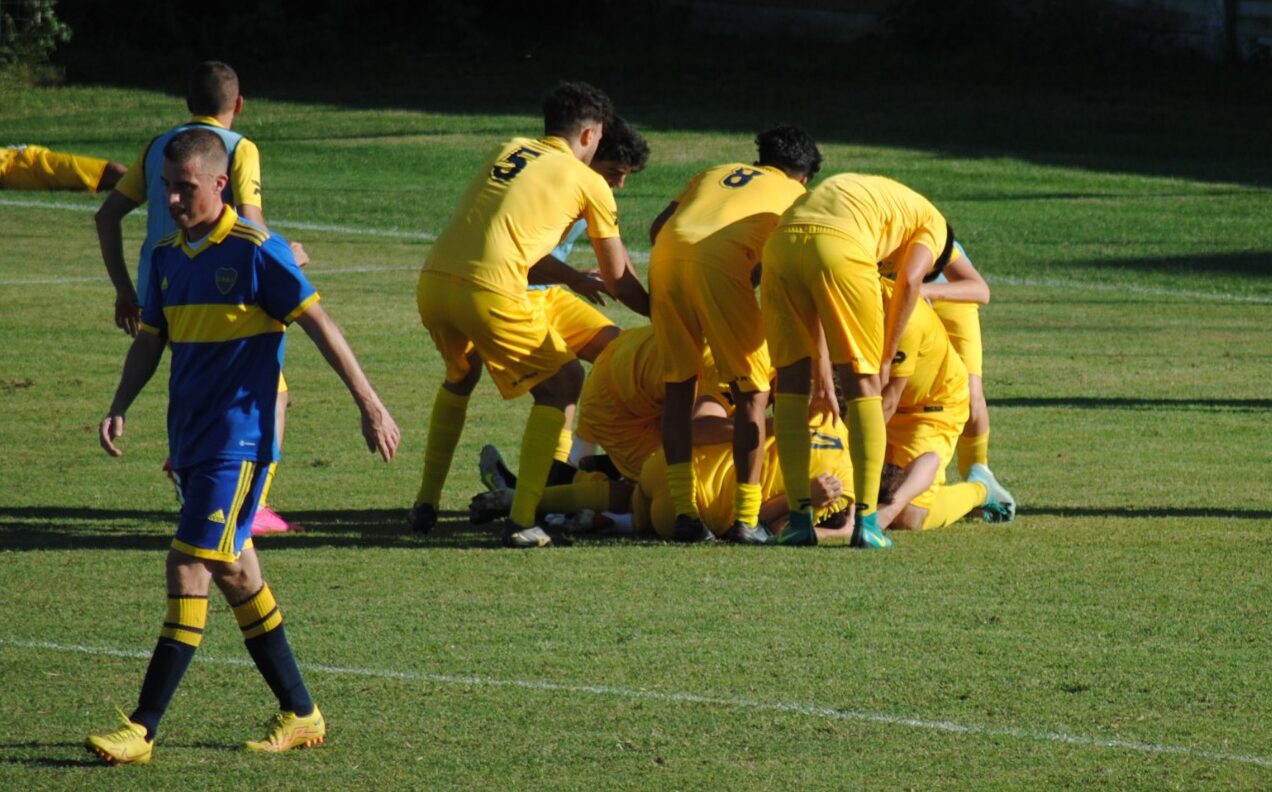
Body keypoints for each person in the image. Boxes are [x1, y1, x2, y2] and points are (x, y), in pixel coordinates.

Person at [85, 129, 400, 764]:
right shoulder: (168, 257)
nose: (173, 199)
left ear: (220, 184)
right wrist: (120, 403)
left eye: (186, 187)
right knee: (235, 571)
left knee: (188, 564)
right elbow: (150, 341)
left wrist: (370, 403)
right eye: (168, 187)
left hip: (242, 440)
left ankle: (142, 728)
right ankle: (303, 712)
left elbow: (319, 323)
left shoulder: (258, 251)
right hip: (193, 441)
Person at [410, 81, 649, 548]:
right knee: (563, 384)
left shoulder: (510, 149)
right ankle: (525, 518)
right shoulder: (587, 182)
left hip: (436, 280)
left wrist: (573, 280)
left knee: (463, 375)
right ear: (590, 135)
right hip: (495, 290)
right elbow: (619, 279)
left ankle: (427, 502)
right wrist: (665, 314)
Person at [95, 60, 305, 535]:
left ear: (188, 103)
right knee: (271, 390)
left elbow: (106, 217)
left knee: (206, 381)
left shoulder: (160, 149)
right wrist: (284, 258)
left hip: (161, 288)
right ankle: (247, 505)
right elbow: (250, 221)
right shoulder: (237, 148)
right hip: (220, 283)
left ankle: (194, 470)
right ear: (239, 104)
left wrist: (125, 291)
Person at [761, 173, 958, 547]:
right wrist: (885, 356)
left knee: (789, 384)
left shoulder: (881, 195)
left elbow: (817, 306)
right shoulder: (932, 223)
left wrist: (820, 377)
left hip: (781, 243)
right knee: (863, 383)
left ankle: (799, 523)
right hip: (840, 247)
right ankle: (866, 524)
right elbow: (913, 279)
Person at [648, 125, 821, 543]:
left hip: (665, 257)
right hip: (719, 268)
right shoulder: (798, 196)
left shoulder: (715, 171)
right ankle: (746, 519)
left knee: (679, 386)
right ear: (804, 176)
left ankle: (685, 512)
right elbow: (786, 258)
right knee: (752, 394)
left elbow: (657, 227)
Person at [871, 277, 1014, 531]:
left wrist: (846, 451)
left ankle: (980, 491)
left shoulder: (904, 315)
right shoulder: (838, 301)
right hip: (887, 402)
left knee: (907, 516)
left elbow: (979, 289)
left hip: (931, 407)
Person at [922, 241, 994, 479]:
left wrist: (924, 291)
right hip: (894, 297)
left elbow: (980, 291)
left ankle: (978, 475)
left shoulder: (925, 225)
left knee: (971, 395)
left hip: (949, 298)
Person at [0, 144, 126, 192]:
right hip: (19, 170)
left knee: (113, 171)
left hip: (29, 157)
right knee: (113, 172)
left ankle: (141, 179)